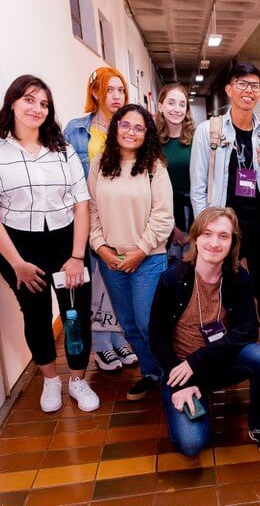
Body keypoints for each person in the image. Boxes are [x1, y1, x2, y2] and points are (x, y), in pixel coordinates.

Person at [0, 74, 99, 413]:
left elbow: (81, 203)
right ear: (12, 102)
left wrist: (76, 256)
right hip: (19, 247)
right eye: (29, 100)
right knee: (36, 315)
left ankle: (78, 380)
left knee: (76, 314)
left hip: (66, 242)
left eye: (43, 103)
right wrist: (17, 263)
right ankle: (50, 380)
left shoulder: (63, 150)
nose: (36, 108)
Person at [150, 207, 260, 464]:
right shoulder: (172, 279)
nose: (214, 242)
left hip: (219, 362)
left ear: (233, 242)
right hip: (182, 372)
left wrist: (197, 361)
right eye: (207, 234)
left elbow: (248, 330)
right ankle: (187, 395)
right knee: (191, 443)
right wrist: (177, 380)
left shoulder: (238, 277)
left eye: (224, 236)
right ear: (195, 237)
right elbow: (157, 336)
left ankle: (259, 424)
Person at [88, 104, 174, 401]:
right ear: (115, 127)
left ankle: (172, 376)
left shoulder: (154, 167)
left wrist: (141, 250)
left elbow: (163, 216)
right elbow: (92, 210)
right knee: (129, 324)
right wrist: (101, 247)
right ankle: (151, 373)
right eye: (125, 125)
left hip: (148, 259)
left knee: (149, 323)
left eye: (139, 128)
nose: (131, 132)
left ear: (147, 133)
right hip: (111, 259)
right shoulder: (99, 164)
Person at [64, 67, 138, 372]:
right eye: (109, 89)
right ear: (95, 92)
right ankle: (101, 344)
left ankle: (118, 338)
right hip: (89, 216)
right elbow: (68, 175)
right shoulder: (76, 129)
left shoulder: (129, 126)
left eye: (121, 90)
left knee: (119, 283)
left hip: (121, 216)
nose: (116, 96)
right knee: (95, 284)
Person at [190, 62, 260, 295]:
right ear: (229, 89)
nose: (249, 90)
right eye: (242, 84)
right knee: (223, 287)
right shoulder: (208, 131)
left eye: (254, 86)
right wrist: (206, 229)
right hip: (224, 226)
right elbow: (198, 186)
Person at [155, 83, 196, 261]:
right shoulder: (152, 141)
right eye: (171, 103)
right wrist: (171, 226)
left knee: (191, 264)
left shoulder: (197, 138)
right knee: (169, 267)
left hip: (193, 211)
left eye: (182, 104)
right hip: (163, 212)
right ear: (160, 106)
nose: (177, 109)